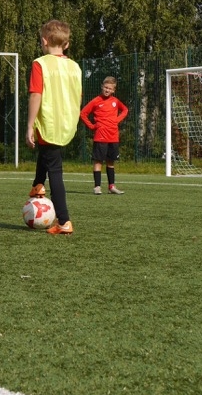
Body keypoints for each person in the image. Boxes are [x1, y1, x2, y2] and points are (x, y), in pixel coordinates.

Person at [26, 19, 82, 235]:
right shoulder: (75, 66)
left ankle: (64, 221)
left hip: (48, 121)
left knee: (55, 170)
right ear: (66, 44)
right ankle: (38, 185)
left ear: (44, 41)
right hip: (66, 122)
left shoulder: (40, 63)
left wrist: (29, 125)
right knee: (48, 154)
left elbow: (36, 94)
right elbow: (78, 96)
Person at [80, 76, 128, 195]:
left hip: (113, 136)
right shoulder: (96, 101)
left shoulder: (115, 101)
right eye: (106, 87)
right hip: (100, 136)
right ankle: (97, 187)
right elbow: (83, 114)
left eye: (110, 88)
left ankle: (112, 186)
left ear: (113, 90)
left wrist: (117, 120)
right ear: (102, 87)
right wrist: (92, 126)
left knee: (110, 162)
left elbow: (125, 110)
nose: (107, 90)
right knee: (98, 161)